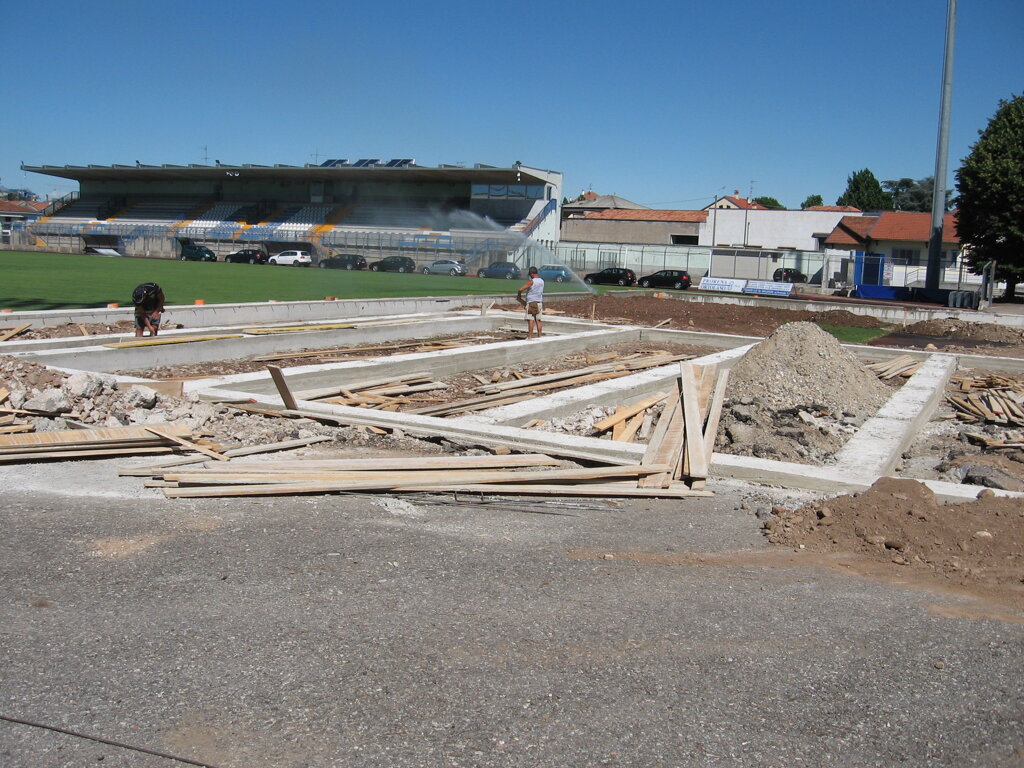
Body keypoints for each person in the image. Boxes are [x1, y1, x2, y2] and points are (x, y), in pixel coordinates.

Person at [516, 266, 545, 339]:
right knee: (538, 320)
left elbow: (520, 289)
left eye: (530, 274)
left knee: (530, 320)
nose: (530, 276)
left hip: (532, 303)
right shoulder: (542, 281)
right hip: (539, 302)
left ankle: (530, 336)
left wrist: (519, 296)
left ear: (532, 273)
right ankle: (540, 336)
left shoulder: (532, 281)